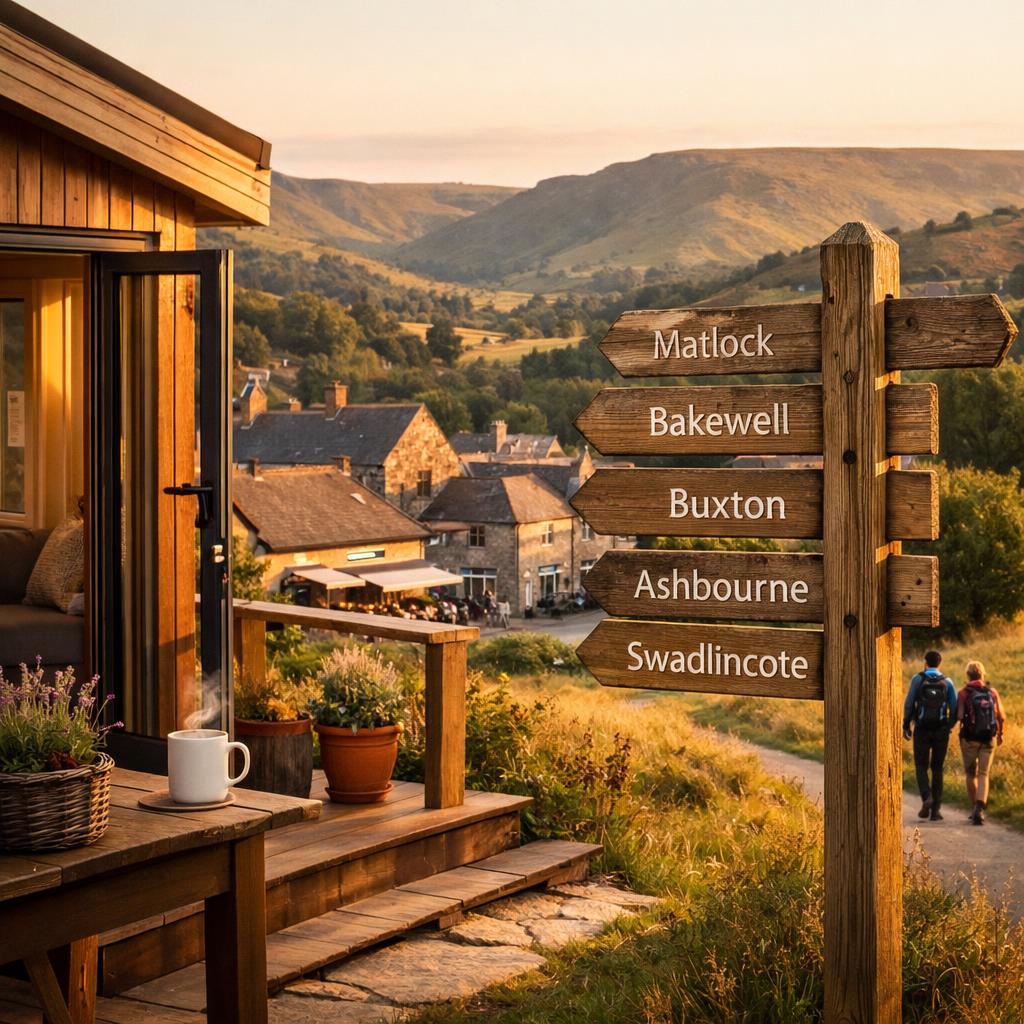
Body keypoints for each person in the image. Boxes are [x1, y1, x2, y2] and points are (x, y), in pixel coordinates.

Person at [902, 650, 957, 821]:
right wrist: (949, 726)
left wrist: (906, 725)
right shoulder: (947, 682)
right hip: (941, 730)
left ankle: (927, 797)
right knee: (937, 768)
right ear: (940, 663)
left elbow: (909, 703)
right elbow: (954, 708)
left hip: (922, 728)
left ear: (925, 662)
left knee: (921, 765)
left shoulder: (918, 679)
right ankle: (936, 811)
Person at [956, 660, 1006, 825]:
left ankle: (974, 809)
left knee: (971, 774)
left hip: (969, 739)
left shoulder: (963, 693)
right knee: (984, 773)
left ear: (968, 675)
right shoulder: (992, 692)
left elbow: (960, 715)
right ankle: (980, 809)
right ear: (982, 674)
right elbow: (1001, 716)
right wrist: (1000, 734)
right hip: (988, 739)